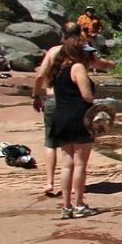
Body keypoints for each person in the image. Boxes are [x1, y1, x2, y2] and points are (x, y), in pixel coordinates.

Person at [47, 34, 100, 218]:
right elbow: (87, 96)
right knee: (80, 165)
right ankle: (79, 205)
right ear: (78, 52)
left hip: (60, 118)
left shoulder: (59, 69)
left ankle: (66, 206)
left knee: (67, 164)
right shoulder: (77, 68)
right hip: (79, 118)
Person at [33, 25, 82, 198]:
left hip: (53, 100)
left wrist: (35, 95)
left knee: (50, 142)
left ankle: (49, 182)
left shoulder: (53, 51)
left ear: (63, 35)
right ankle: (75, 186)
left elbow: (40, 76)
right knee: (74, 145)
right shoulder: (79, 52)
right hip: (73, 102)